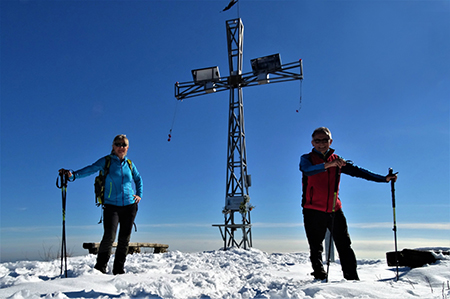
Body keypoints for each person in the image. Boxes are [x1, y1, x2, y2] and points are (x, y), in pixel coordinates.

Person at [299, 127, 397, 281]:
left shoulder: (337, 160)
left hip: (334, 209)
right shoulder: (307, 158)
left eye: (324, 140)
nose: (321, 144)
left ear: (330, 142)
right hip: (312, 210)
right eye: (317, 141)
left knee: (344, 245)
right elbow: (307, 170)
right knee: (315, 247)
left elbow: (360, 172)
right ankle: (319, 276)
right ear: (312, 142)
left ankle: (352, 279)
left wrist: (384, 179)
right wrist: (328, 165)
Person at [59, 134, 143, 275]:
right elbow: (90, 169)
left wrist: (139, 194)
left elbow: (138, 179)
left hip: (130, 206)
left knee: (124, 239)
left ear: (127, 147)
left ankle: (119, 270)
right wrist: (72, 175)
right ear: (113, 146)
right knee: (109, 236)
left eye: (124, 145)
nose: (121, 147)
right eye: (118, 144)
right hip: (111, 206)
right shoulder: (107, 161)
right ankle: (100, 268)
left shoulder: (130, 164)